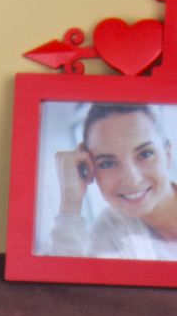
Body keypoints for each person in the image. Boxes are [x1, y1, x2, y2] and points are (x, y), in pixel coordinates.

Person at [50, 103, 177, 260]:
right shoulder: (109, 230)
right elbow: (62, 278)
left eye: (145, 154)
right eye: (107, 163)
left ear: (168, 154)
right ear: (89, 170)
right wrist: (70, 202)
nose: (132, 180)